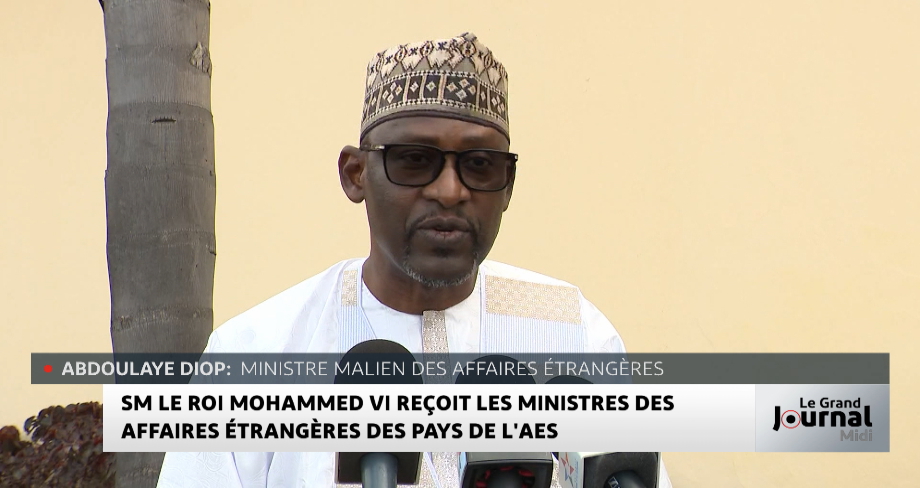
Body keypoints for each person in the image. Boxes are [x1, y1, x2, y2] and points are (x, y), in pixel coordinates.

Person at [157, 32, 673, 488]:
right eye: (414, 161)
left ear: (508, 187)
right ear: (356, 174)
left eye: (479, 165)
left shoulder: (575, 334)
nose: (449, 191)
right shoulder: (259, 353)